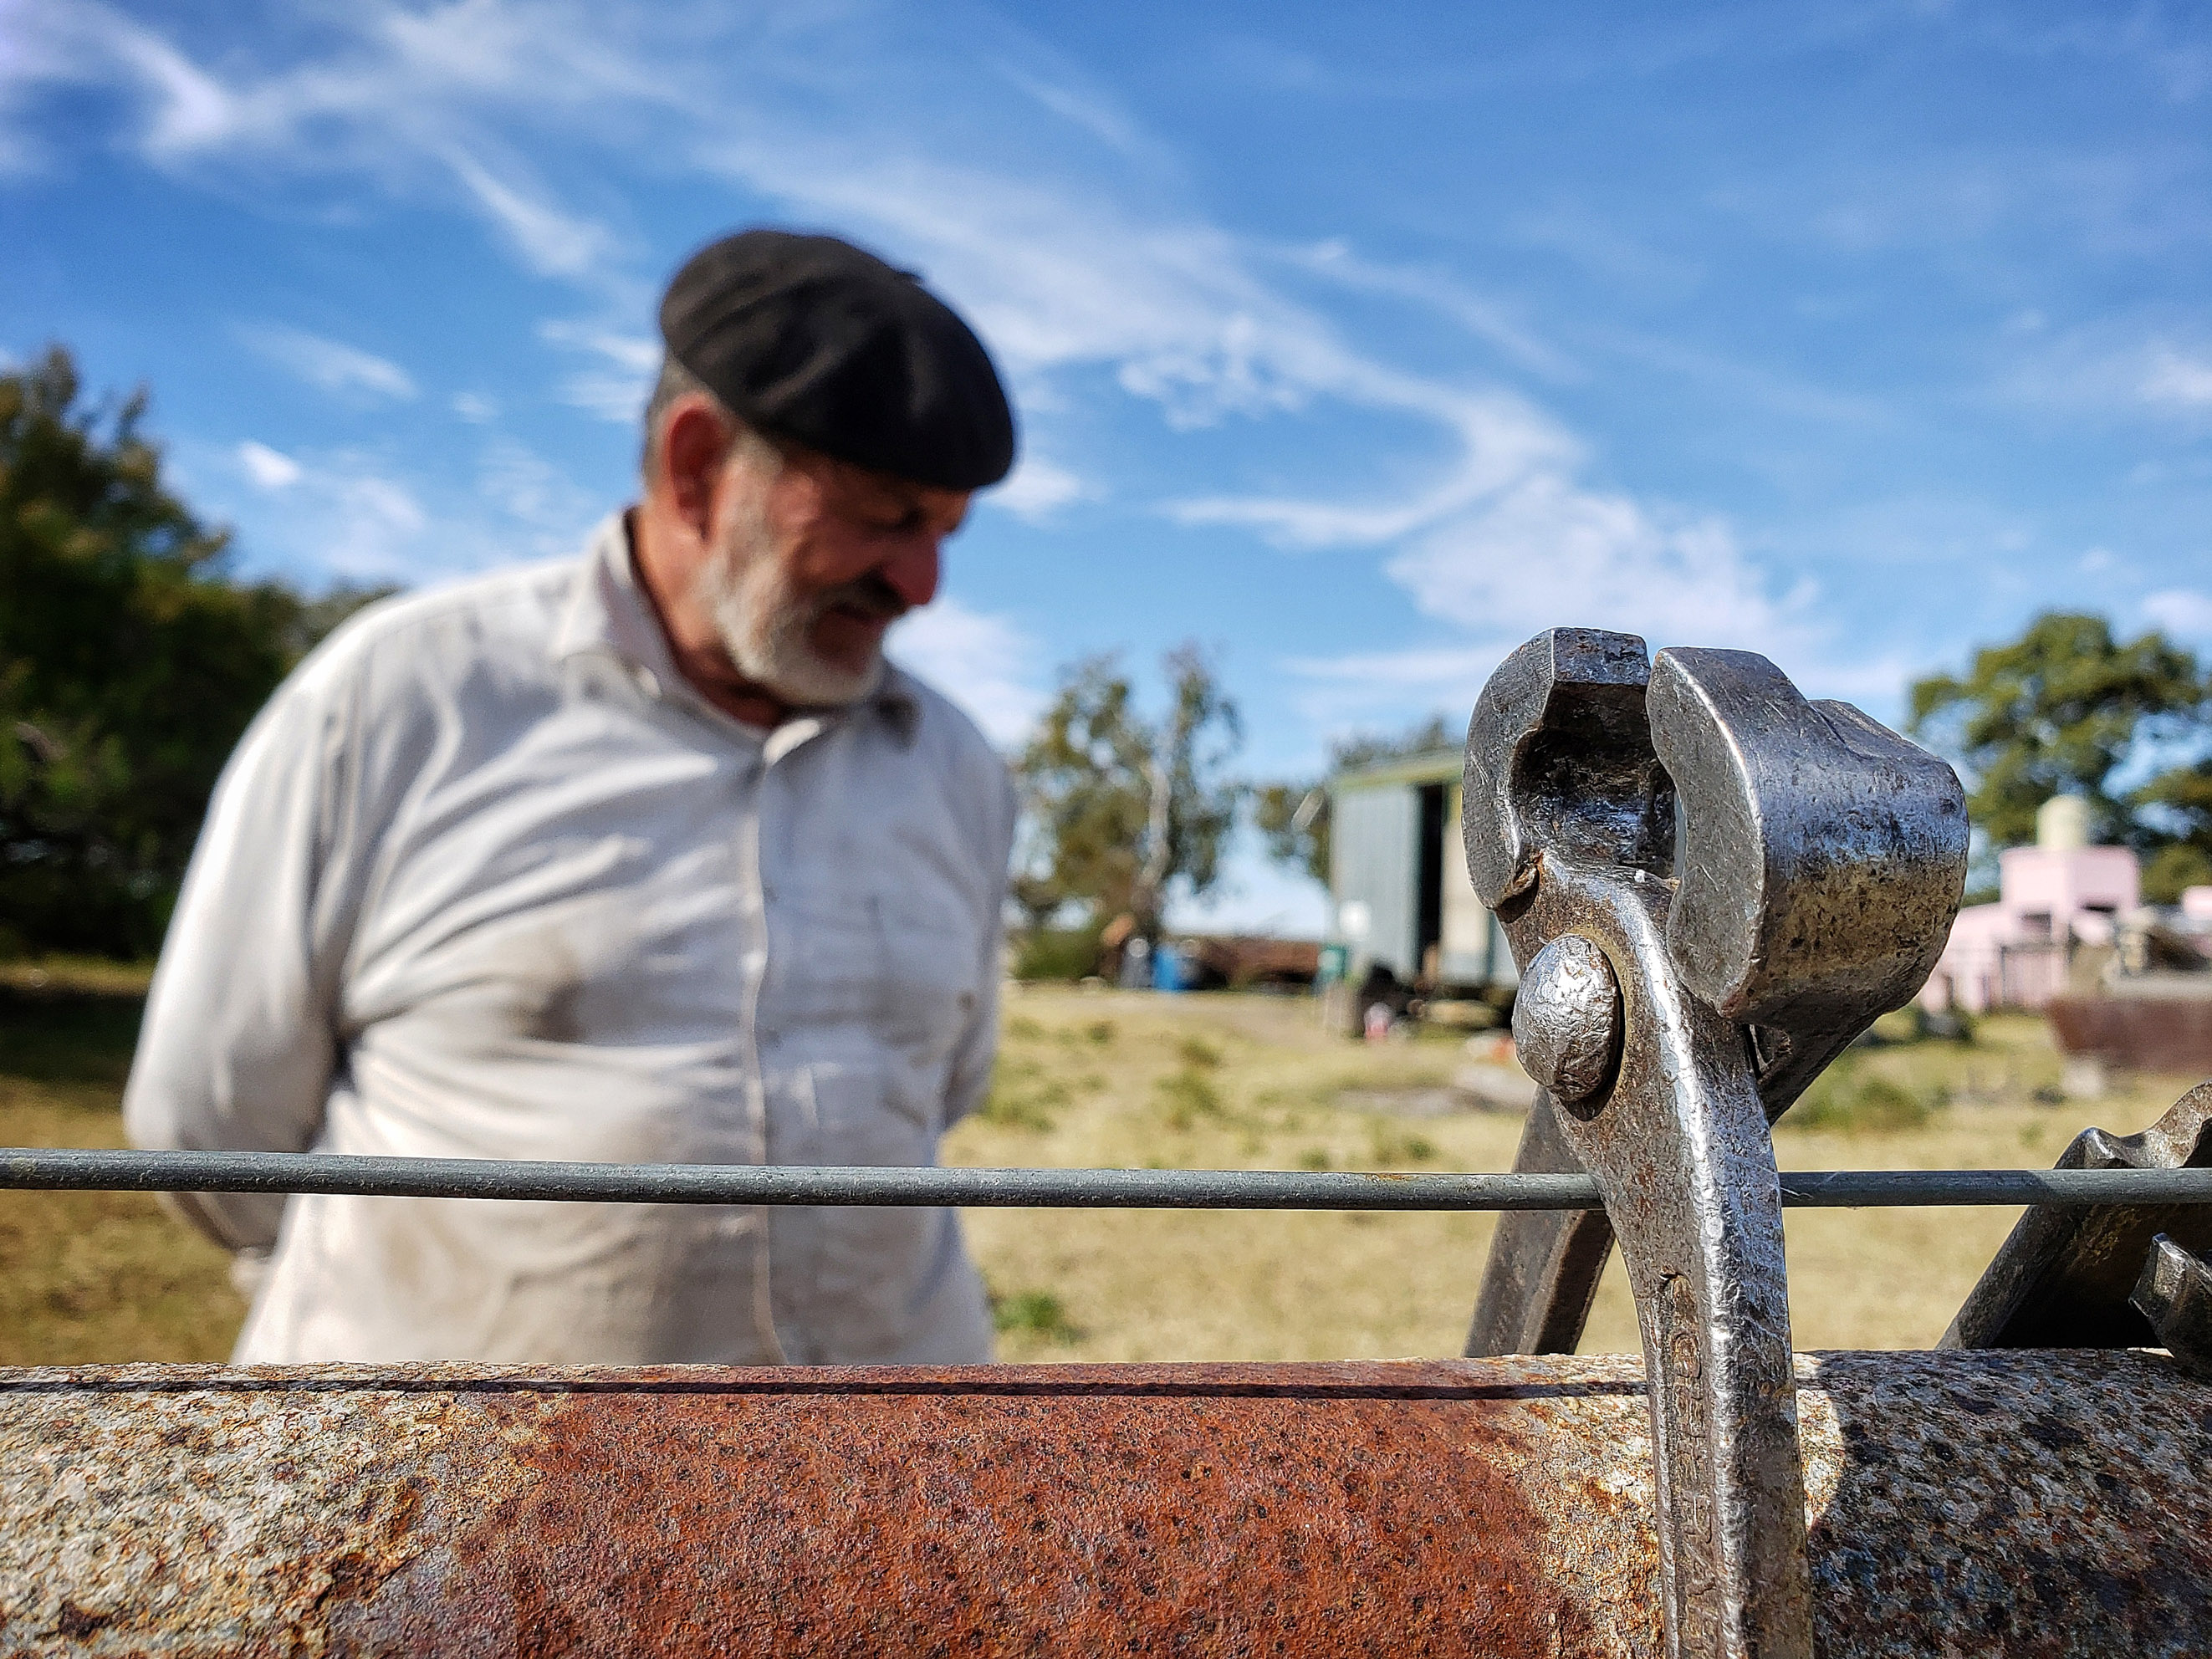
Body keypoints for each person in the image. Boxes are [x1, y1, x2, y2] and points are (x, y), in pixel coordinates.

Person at [123, 229, 1019, 1365]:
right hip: (449, 1468)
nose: (921, 585)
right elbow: (210, 1124)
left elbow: (941, 1089)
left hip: (886, 1462)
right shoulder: (403, 698)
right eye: (886, 517)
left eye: (944, 533)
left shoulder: (953, 766)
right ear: (698, 465)